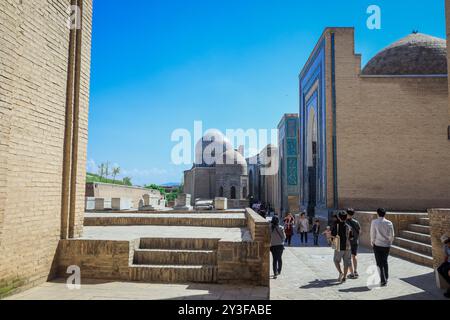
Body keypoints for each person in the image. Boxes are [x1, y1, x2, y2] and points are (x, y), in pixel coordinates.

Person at [370, 208, 395, 287]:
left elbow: (372, 233)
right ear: (385, 214)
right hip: (386, 245)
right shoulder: (389, 223)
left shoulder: (374, 222)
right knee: (385, 261)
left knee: (379, 263)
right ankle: (386, 277)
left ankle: (383, 280)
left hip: (377, 244)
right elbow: (392, 235)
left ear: (377, 213)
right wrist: (390, 243)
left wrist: (372, 242)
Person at [331, 211, 353, 283]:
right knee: (346, 262)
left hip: (339, 247)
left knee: (336, 260)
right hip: (348, 247)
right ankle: (344, 277)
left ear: (339, 218)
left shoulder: (336, 226)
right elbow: (351, 238)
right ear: (346, 217)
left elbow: (333, 235)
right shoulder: (349, 227)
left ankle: (340, 272)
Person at [346, 209, 361, 279]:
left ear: (347, 214)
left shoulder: (345, 222)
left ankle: (351, 273)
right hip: (355, 241)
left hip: (348, 243)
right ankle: (355, 271)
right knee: (354, 256)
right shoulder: (356, 222)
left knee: (348, 257)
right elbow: (359, 232)